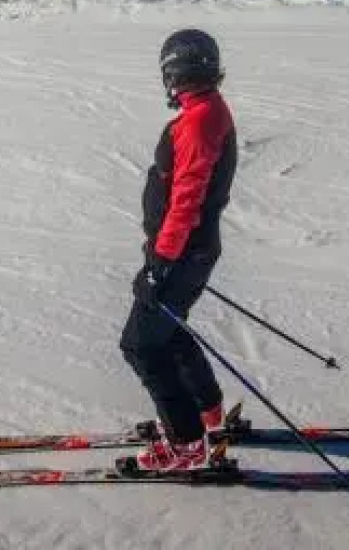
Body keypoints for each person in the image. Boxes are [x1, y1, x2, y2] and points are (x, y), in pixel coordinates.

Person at [120, 29, 238, 472]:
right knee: (168, 332)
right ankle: (206, 413)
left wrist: (160, 264)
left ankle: (186, 443)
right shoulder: (206, 110)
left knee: (141, 345)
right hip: (191, 250)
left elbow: (186, 201)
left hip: (181, 252)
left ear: (174, 73)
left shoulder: (198, 121)